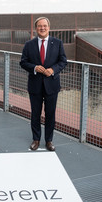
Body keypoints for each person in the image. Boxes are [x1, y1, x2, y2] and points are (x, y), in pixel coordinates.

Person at [20, 17, 67, 152]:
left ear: (49, 27)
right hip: (35, 85)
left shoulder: (57, 43)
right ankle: (36, 139)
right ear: (36, 28)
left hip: (52, 85)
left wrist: (53, 70)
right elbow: (23, 62)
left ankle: (49, 140)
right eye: (40, 26)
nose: (42, 28)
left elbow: (63, 61)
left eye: (45, 26)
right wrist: (34, 68)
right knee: (35, 113)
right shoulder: (29, 44)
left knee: (50, 114)